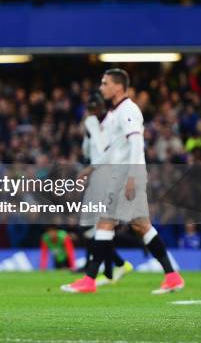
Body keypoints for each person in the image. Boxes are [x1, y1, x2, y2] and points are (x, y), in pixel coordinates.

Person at [62, 69, 185, 294]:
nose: (101, 88)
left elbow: (137, 144)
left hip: (127, 176)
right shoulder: (116, 113)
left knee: (105, 223)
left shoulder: (128, 110)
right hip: (123, 175)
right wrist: (91, 168)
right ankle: (172, 276)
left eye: (104, 83)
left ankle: (89, 279)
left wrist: (131, 178)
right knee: (141, 226)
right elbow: (115, 151)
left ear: (117, 87)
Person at [79, 92, 133, 286]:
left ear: (103, 107)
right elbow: (86, 150)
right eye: (91, 109)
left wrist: (91, 167)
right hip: (96, 178)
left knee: (97, 227)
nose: (93, 112)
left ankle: (107, 270)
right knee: (91, 228)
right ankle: (115, 267)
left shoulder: (112, 124)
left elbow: (112, 153)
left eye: (95, 108)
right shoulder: (91, 125)